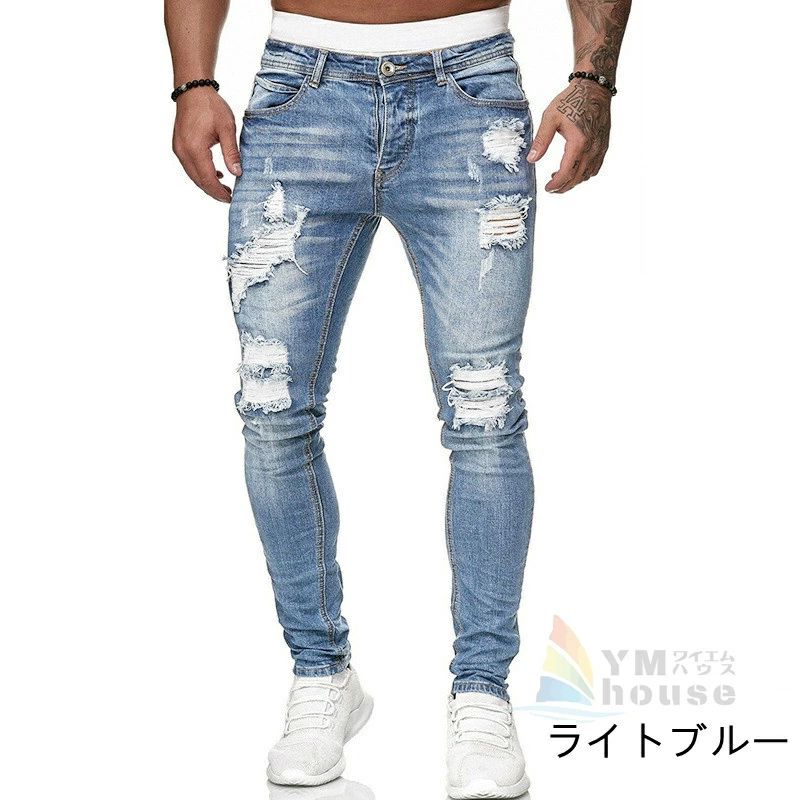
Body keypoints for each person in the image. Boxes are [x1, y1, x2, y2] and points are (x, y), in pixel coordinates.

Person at [165, 1, 631, 796]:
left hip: (470, 92)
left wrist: (593, 78)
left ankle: (481, 692)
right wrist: (193, 82)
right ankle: (321, 674)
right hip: (300, 94)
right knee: (273, 408)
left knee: (484, 411)